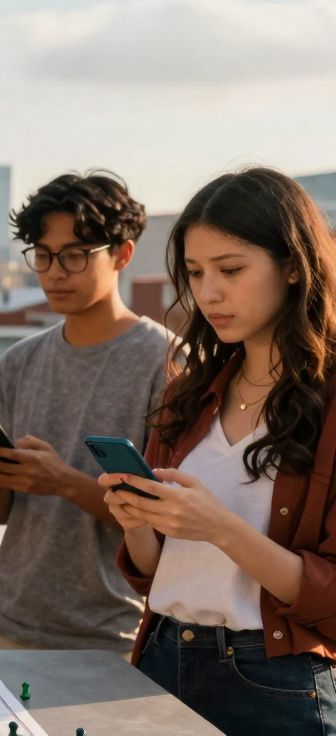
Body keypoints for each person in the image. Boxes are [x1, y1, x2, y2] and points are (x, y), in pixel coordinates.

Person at [105, 169, 336, 733]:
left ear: (291, 264)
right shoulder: (189, 394)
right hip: (161, 658)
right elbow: (157, 573)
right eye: (195, 272)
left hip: (273, 683)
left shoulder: (330, 406)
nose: (208, 292)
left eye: (230, 270)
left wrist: (220, 528)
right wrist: (135, 521)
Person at [0, 171, 174, 651]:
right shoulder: (18, 362)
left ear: (122, 254)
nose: (55, 271)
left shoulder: (165, 362)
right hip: (6, 622)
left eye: (75, 255)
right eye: (42, 255)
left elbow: (166, 524)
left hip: (113, 633)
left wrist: (62, 481)